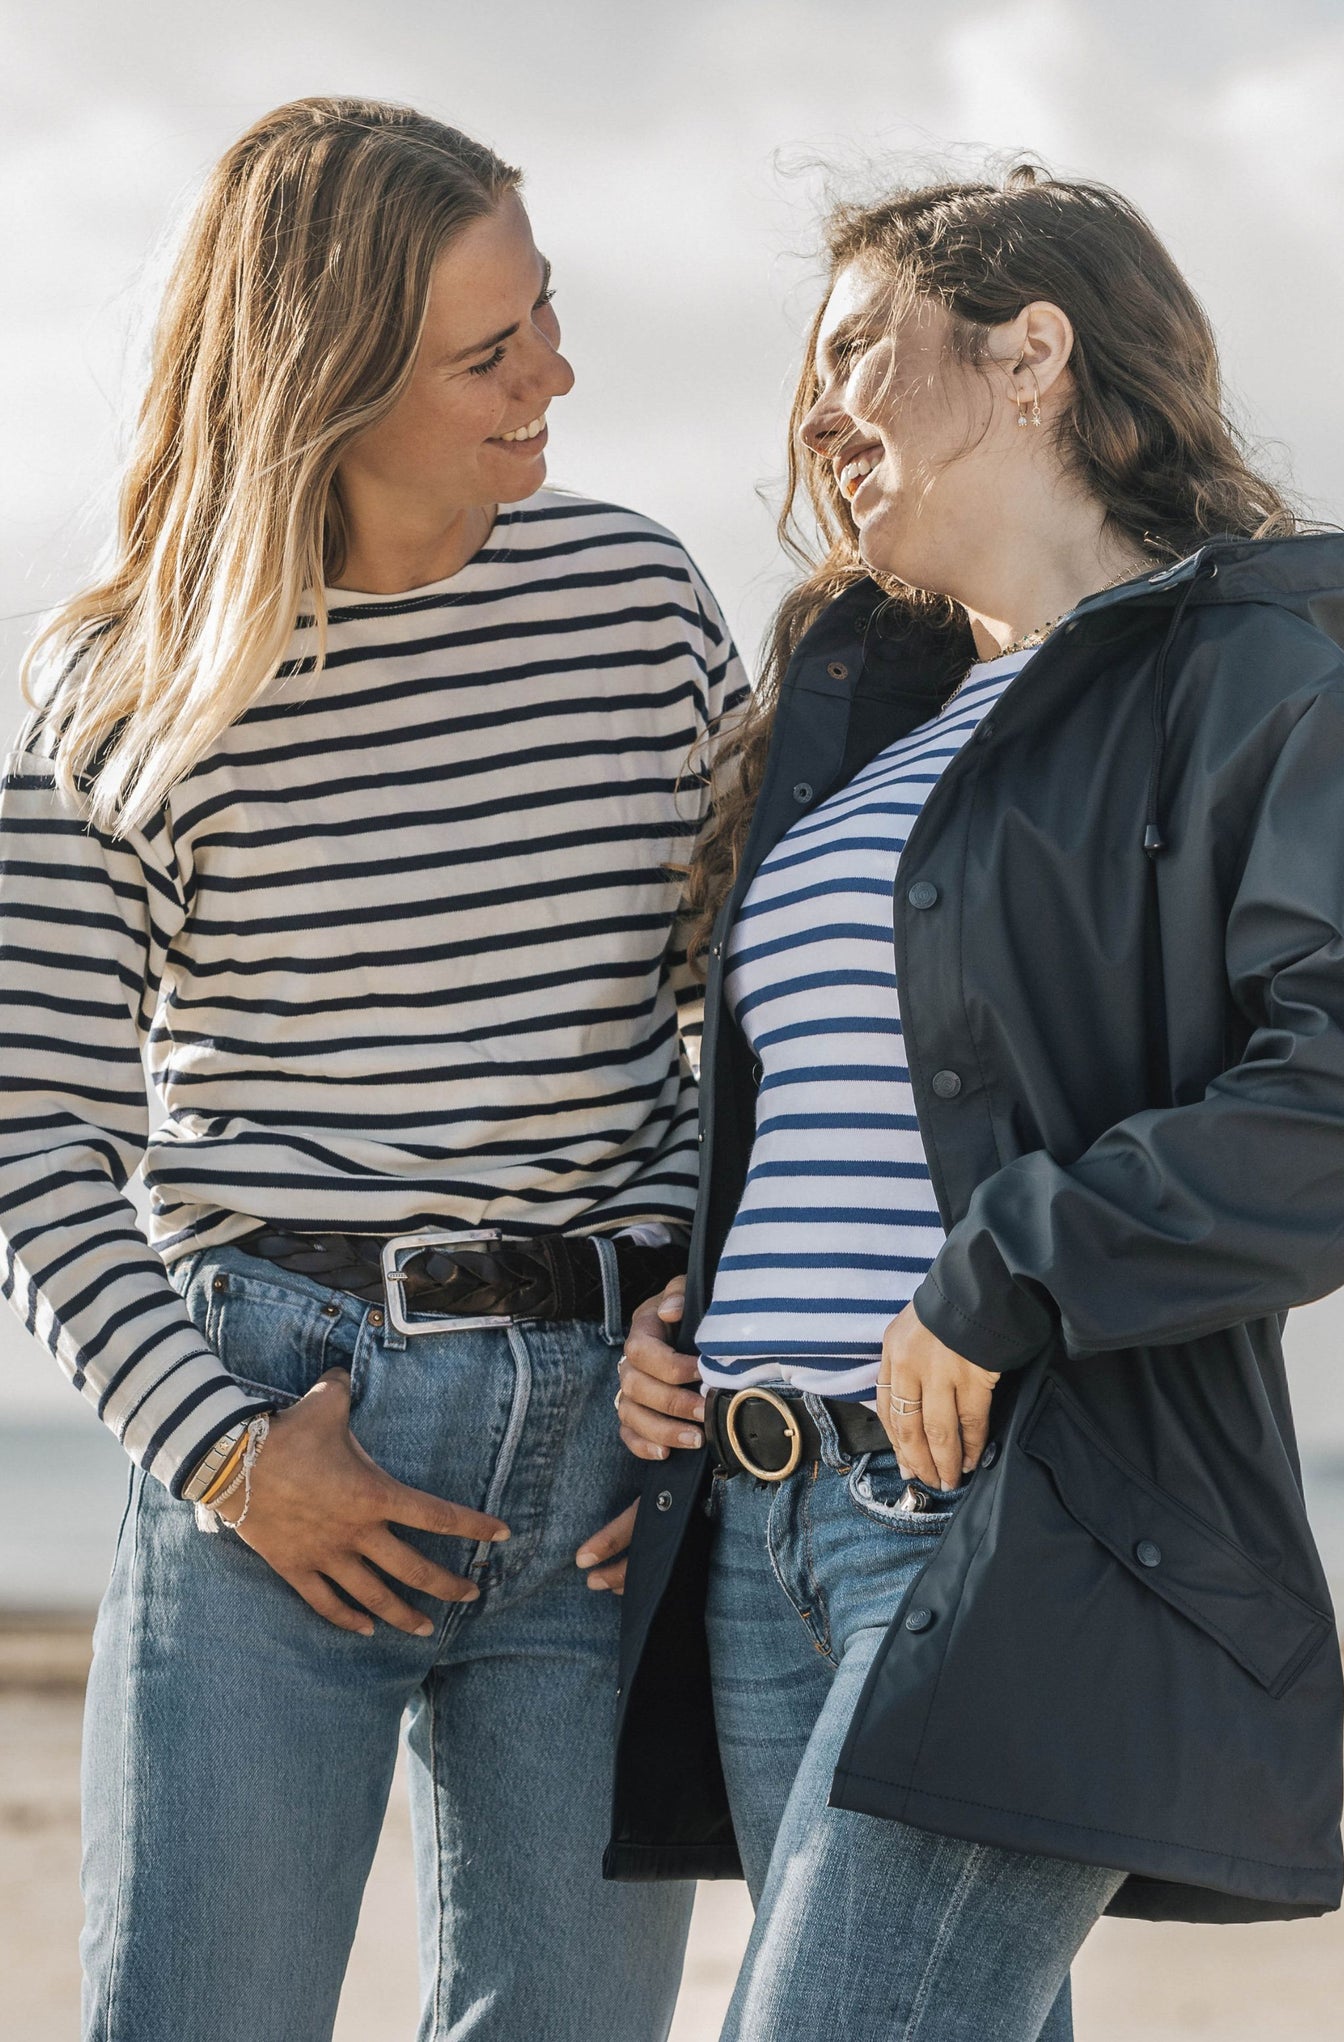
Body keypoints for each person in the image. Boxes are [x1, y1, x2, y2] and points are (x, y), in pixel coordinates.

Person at [578, 165, 1344, 2040]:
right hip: (756, 1523)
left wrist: (1009, 1272)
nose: (817, 409)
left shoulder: (1254, 681)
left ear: (1031, 350)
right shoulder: (866, 716)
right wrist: (691, 1301)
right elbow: (826, 1113)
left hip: (1010, 1518)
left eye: (858, 349)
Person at [0, 97, 746, 2042]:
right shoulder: (123, 691)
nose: (555, 377)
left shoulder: (641, 606)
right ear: (325, 380)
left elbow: (743, 1025)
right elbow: (34, 1139)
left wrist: (703, 1310)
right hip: (276, 1414)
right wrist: (232, 1458)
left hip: (606, 1459)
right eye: (489, 354)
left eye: (548, 314)